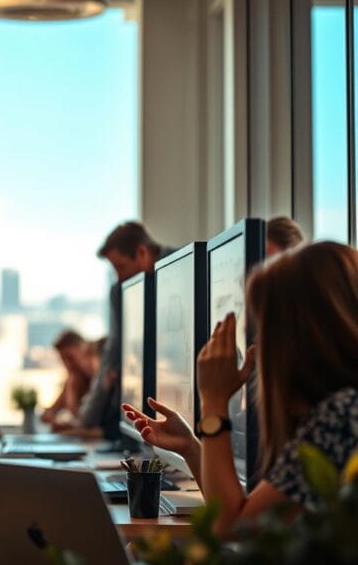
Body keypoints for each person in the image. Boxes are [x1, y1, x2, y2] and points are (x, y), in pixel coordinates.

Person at [124, 241, 358, 534]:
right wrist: (190, 448)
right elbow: (245, 513)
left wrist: (213, 400)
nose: (257, 346)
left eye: (263, 327)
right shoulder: (340, 409)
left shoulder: (342, 416)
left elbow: (235, 529)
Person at [76, 222, 172, 438]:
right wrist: (85, 420)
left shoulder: (185, 265)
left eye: (120, 267)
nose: (118, 278)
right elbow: (113, 352)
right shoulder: (120, 292)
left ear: (142, 252)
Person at [42, 330, 98, 426]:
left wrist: (71, 391)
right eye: (63, 360)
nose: (67, 364)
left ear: (83, 348)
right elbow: (48, 414)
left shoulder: (96, 378)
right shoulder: (74, 379)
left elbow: (84, 421)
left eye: (70, 357)